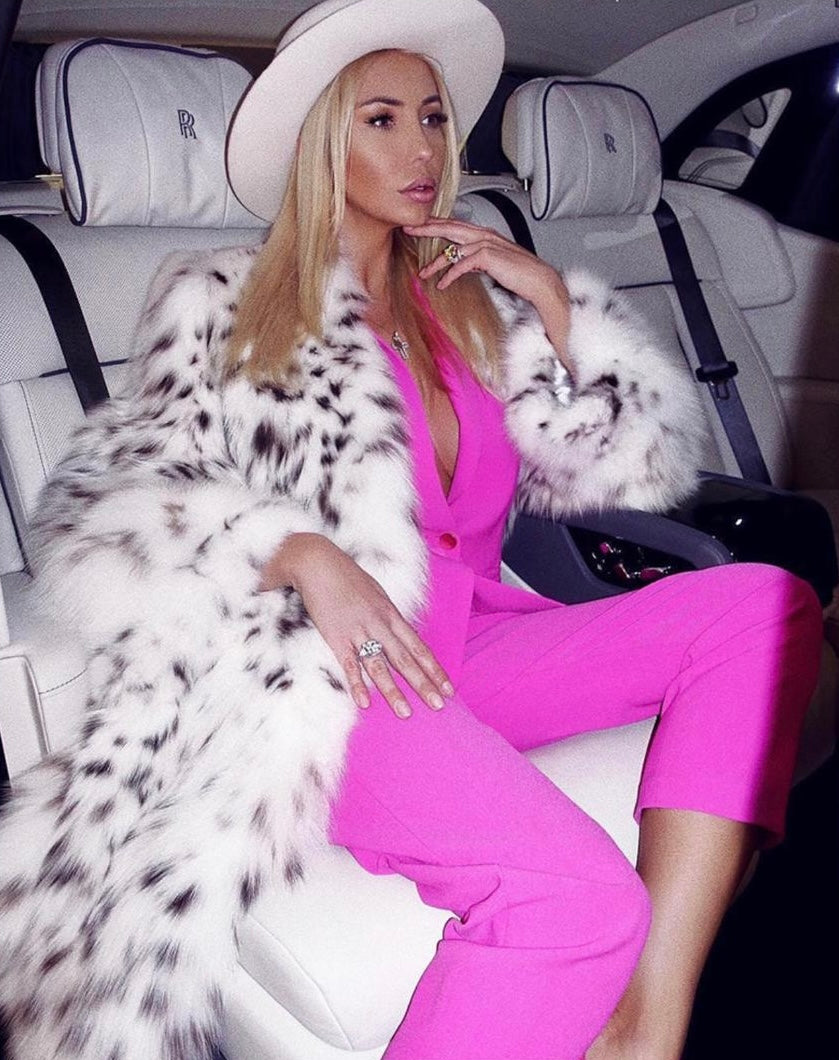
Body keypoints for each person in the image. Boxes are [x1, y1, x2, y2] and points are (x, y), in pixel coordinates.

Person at [0, 1, 822, 1058]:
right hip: (330, 680)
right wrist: (298, 551)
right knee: (577, 899)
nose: (423, 148)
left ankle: (644, 1024)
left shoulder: (465, 301)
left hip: (473, 637)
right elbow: (105, 510)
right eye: (380, 120)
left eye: (432, 118)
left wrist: (547, 296)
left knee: (763, 605)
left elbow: (635, 465)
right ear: (321, 143)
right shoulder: (221, 298)